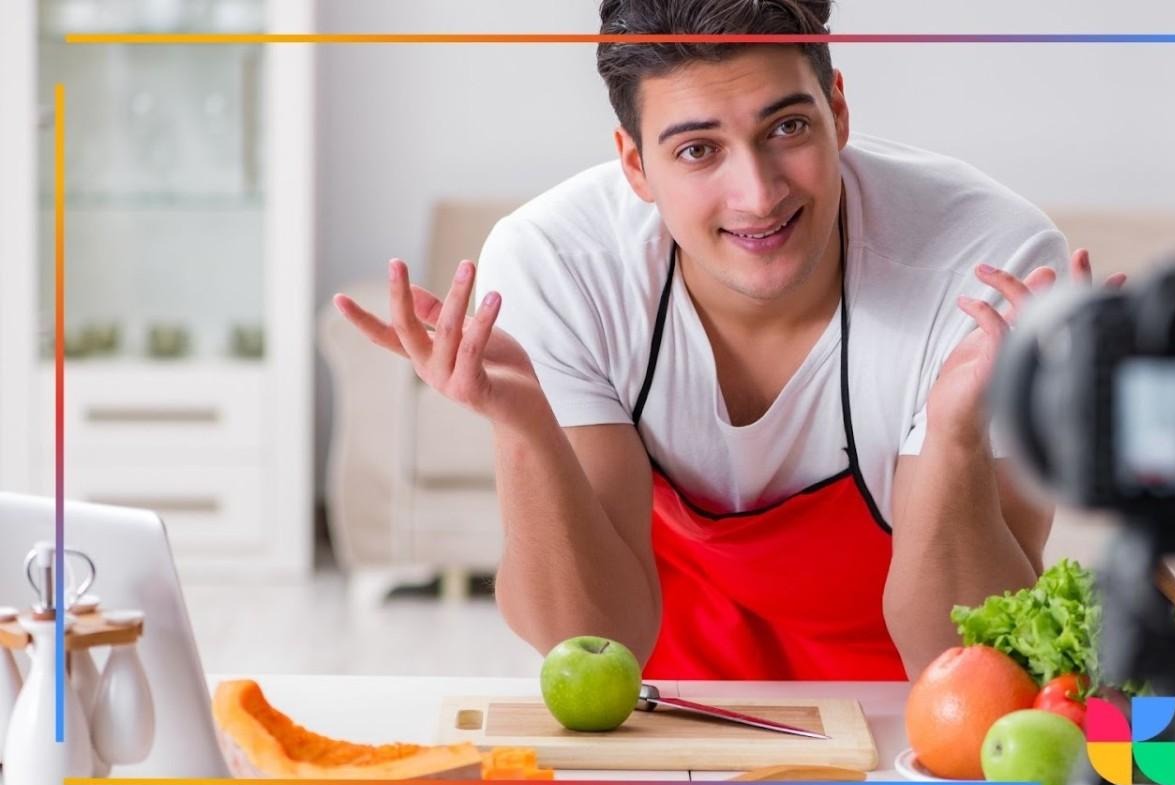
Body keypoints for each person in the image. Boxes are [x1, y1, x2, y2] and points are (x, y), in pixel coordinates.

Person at [334, 0, 1124, 681]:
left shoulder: (984, 264)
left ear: (838, 112)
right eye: (697, 149)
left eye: (786, 127)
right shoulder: (556, 264)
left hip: (917, 709)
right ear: (635, 167)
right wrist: (525, 426)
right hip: (667, 703)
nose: (758, 194)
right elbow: (594, 641)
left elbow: (961, 655)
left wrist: (953, 431)